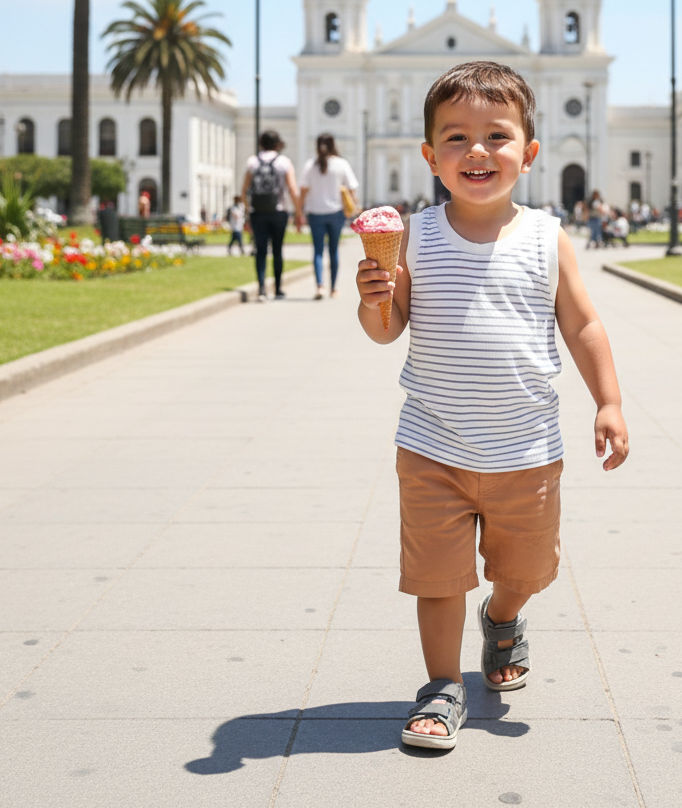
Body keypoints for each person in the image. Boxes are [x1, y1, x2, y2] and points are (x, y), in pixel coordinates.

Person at [355, 61, 629, 752]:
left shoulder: (546, 238)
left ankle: (503, 616)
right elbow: (388, 330)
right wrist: (373, 296)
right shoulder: (416, 235)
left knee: (527, 569)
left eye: (496, 136)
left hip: (527, 451)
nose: (476, 150)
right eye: (456, 138)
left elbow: (584, 325)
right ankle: (442, 687)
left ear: (529, 154)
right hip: (432, 446)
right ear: (430, 157)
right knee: (436, 577)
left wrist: (610, 401)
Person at [242, 130, 303, 302]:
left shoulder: (253, 162)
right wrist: (298, 212)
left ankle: (261, 289)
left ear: (261, 143)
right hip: (278, 212)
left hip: (258, 212)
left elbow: (244, 190)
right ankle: (277, 289)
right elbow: (292, 189)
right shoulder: (284, 162)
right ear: (278, 144)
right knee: (277, 251)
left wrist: (248, 213)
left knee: (260, 251)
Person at [299, 134, 359, 299]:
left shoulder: (311, 165)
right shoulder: (341, 164)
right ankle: (333, 288)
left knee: (318, 251)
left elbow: (303, 191)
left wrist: (299, 212)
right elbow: (352, 187)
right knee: (333, 251)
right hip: (335, 213)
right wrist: (356, 207)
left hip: (315, 213)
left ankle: (320, 286)